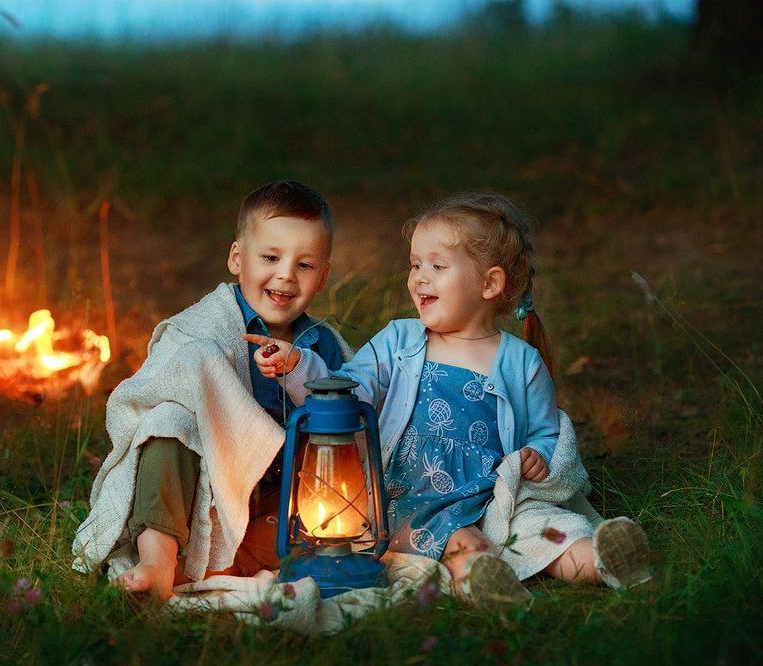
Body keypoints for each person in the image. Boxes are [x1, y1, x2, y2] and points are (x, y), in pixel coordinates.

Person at [249, 192, 652, 606]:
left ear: (489, 283)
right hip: (413, 495)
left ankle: (605, 559)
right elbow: (347, 391)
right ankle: (484, 584)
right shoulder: (400, 341)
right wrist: (297, 365)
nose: (420, 277)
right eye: (415, 265)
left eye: (437, 267)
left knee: (549, 532)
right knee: (463, 541)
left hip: (496, 497)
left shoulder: (520, 362)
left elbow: (548, 432)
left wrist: (538, 456)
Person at [71, 180, 351, 600]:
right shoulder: (203, 326)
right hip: (208, 483)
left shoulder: (323, 344)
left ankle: (235, 562)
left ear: (324, 276)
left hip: (283, 497)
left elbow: (354, 413)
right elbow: (161, 384)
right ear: (237, 258)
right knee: (167, 422)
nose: (286, 275)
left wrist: (299, 372)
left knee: (329, 494)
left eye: (305, 265)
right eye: (271, 257)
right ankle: (158, 559)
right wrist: (212, 372)